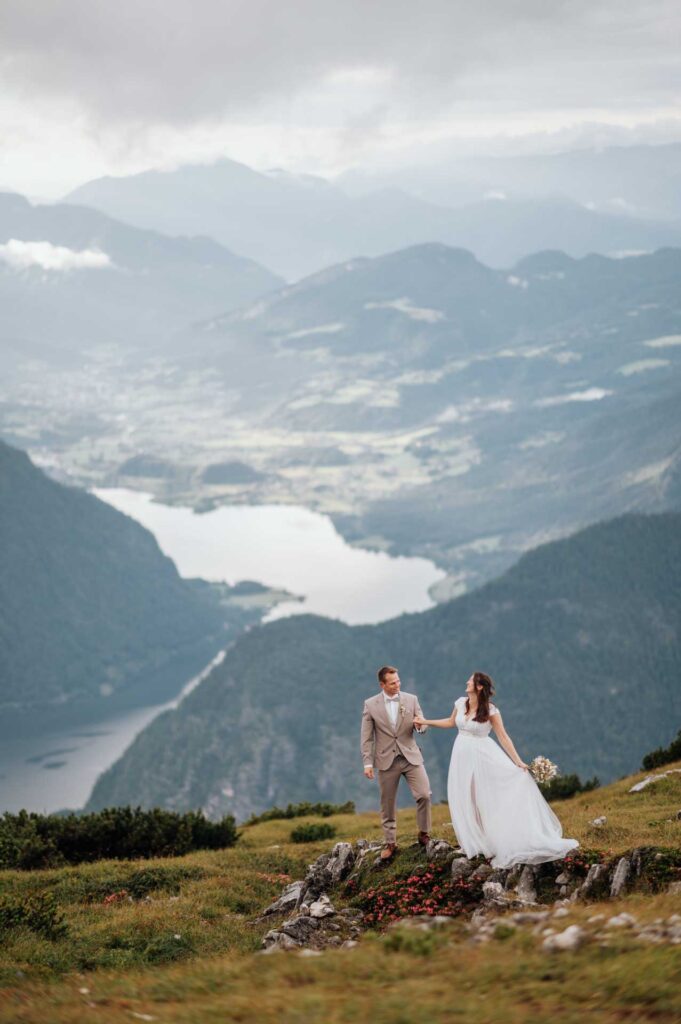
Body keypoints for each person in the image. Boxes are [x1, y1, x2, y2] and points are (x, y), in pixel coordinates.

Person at [413, 671, 579, 869]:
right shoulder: (460, 703)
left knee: (478, 796)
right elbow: (450, 723)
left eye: (471, 681)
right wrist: (425, 721)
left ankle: (485, 840)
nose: (466, 682)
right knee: (466, 796)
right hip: (461, 755)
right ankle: (475, 841)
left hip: (483, 755)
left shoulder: (491, 711)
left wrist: (518, 761)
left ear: (479, 687)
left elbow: (503, 736)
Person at [361, 665, 432, 863]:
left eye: (399, 681)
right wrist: (367, 763)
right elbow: (366, 738)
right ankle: (390, 843)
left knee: (424, 794)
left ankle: (424, 833)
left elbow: (422, 724)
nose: (397, 685)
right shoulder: (370, 704)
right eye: (393, 683)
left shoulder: (412, 699)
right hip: (385, 760)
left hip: (411, 757)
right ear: (382, 684)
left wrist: (421, 726)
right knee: (388, 803)